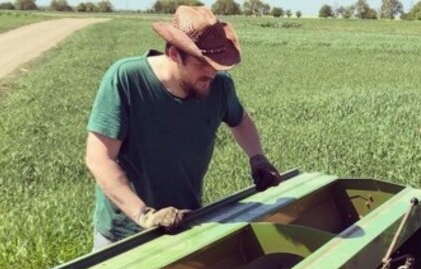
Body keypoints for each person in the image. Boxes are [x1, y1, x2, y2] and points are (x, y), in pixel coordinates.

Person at [85, 5, 281, 250]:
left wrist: (258, 158)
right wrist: (145, 215)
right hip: (124, 234)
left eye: (216, 63)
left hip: (185, 224)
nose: (211, 72)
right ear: (174, 53)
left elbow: (240, 121)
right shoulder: (126, 80)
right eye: (202, 63)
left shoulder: (218, 85)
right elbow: (99, 158)